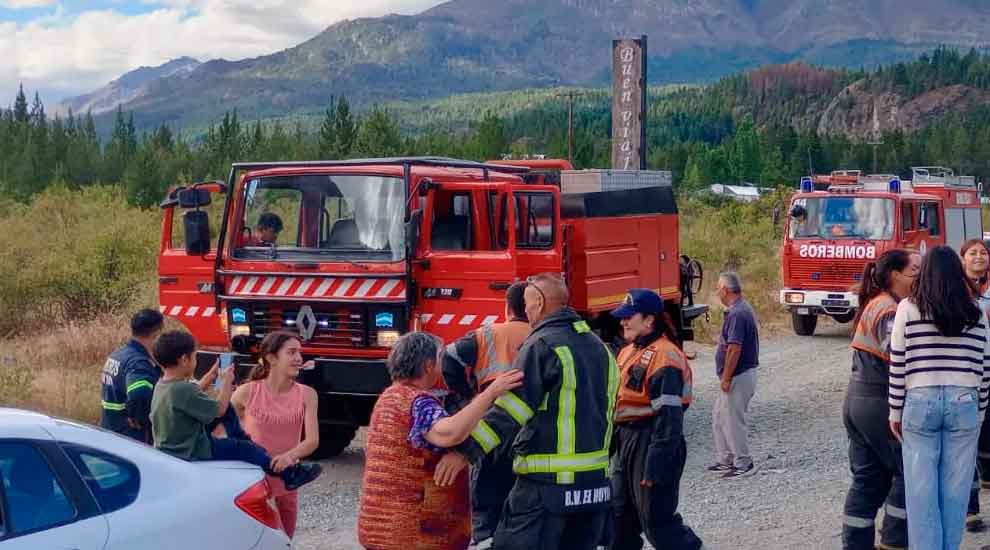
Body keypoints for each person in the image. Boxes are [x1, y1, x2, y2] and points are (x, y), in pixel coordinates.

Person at [437, 273, 618, 550]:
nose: (527, 311)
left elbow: (510, 412)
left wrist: (464, 452)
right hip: (595, 490)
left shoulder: (542, 345)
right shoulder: (601, 349)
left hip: (546, 492)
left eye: (527, 303)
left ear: (540, 301)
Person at [357, 332, 523, 550]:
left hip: (378, 527)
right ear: (428, 365)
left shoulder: (388, 397)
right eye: (440, 357)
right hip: (412, 535)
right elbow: (449, 433)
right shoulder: (418, 402)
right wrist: (491, 393)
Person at [889, 245, 990, 550]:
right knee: (956, 490)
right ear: (958, 271)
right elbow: (985, 366)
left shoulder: (908, 308)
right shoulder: (975, 312)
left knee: (921, 491)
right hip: (965, 401)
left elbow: (898, 363)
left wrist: (895, 410)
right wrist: (981, 411)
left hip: (919, 400)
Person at [150, 330, 322, 492]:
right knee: (246, 448)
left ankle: (242, 440)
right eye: (195, 356)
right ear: (184, 359)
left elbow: (191, 399)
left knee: (233, 422)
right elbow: (219, 409)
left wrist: (208, 379)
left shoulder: (163, 385)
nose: (299, 358)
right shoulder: (184, 389)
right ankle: (288, 474)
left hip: (177, 445)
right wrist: (225, 383)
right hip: (193, 448)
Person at [609, 289, 703, 550]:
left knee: (656, 521)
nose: (623, 321)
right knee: (618, 518)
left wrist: (655, 466)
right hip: (627, 440)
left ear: (649, 320)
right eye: (623, 317)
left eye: (629, 316)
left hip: (650, 441)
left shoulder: (665, 357)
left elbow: (669, 422)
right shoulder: (627, 352)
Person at [441, 282, 531, 548]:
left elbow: (448, 357)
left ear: (507, 307)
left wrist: (467, 399)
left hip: (490, 427)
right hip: (530, 430)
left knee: (486, 502)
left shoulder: (486, 335)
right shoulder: (543, 335)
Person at [841, 250, 920, 550]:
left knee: (867, 479)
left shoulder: (878, 304)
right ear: (895, 275)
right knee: (906, 472)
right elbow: (898, 357)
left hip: (858, 402)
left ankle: (855, 544)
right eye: (915, 270)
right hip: (879, 403)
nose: (920, 276)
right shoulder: (890, 310)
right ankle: (894, 542)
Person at [231, 331, 320, 539]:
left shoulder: (307, 394)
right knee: (258, 538)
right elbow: (221, 429)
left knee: (284, 539)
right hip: (252, 480)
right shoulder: (247, 392)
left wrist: (289, 456)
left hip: (287, 478)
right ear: (271, 358)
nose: (299, 358)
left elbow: (312, 440)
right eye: (291, 352)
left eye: (300, 352)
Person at [710, 272, 760, 478]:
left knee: (733, 420)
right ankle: (726, 459)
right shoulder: (739, 309)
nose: (716, 292)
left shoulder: (738, 313)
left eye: (718, 288)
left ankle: (743, 463)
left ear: (725, 290)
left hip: (738, 375)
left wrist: (727, 377)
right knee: (719, 417)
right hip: (737, 374)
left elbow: (734, 349)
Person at [100, 309, 165, 443]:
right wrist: (140, 419)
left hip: (110, 428)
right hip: (131, 435)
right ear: (156, 333)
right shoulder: (138, 362)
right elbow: (139, 394)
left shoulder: (118, 354)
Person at [960, 238, 990, 531]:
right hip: (970, 376)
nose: (979, 257)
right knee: (967, 443)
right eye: (973, 253)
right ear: (962, 259)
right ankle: (970, 512)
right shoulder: (956, 292)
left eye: (983, 253)